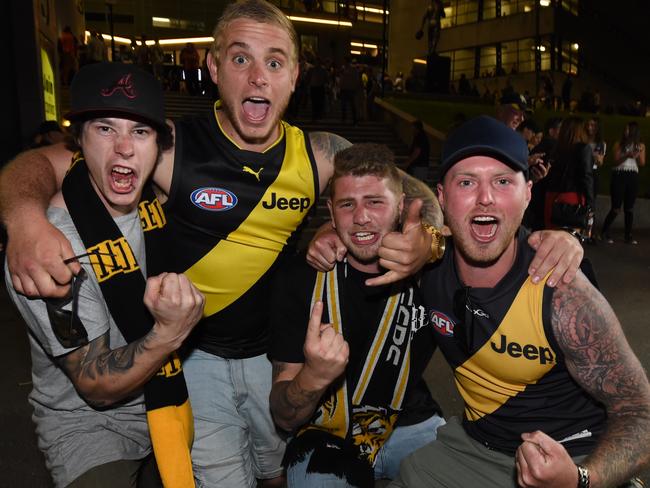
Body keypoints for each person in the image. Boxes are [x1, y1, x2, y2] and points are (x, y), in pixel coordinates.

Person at [0, 2, 441, 486]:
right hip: (194, 357)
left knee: (277, 475)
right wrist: (23, 220)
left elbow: (405, 190)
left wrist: (429, 239)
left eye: (274, 62)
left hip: (271, 356)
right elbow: (45, 161)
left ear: (294, 76)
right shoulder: (167, 146)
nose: (258, 78)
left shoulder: (318, 157)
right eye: (240, 59)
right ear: (213, 67)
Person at [390, 115, 650, 488]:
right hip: (475, 448)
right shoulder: (424, 260)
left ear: (528, 193)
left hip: (573, 455)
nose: (485, 197)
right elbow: (356, 171)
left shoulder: (562, 292)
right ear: (442, 196)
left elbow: (640, 411)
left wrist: (582, 478)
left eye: (502, 181)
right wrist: (333, 234)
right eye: (466, 182)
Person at [5, 62, 205, 488]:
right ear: (78, 141)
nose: (124, 149)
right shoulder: (50, 246)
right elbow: (95, 384)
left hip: (166, 402)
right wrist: (170, 333)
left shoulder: (159, 197)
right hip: (88, 429)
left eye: (139, 132)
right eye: (105, 129)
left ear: (158, 145)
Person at [269, 144, 446, 487]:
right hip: (324, 433)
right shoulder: (297, 278)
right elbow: (283, 415)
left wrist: (432, 241)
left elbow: (487, 246)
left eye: (375, 202)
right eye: (348, 205)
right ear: (331, 216)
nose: (362, 217)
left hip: (411, 425)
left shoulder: (434, 271)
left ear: (400, 209)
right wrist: (313, 378)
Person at [544, 116, 594, 235]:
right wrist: (591, 205)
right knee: (569, 243)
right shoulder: (583, 148)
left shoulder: (556, 148)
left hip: (551, 197)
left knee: (551, 240)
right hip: (572, 198)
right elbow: (586, 176)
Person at [600, 121, 646, 244]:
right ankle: (604, 232)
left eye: (628, 129)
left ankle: (628, 235)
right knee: (616, 207)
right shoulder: (619, 144)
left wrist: (637, 154)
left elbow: (642, 163)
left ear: (633, 131)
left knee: (629, 208)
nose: (625, 132)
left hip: (632, 175)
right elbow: (615, 161)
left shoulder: (640, 145)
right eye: (625, 129)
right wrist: (627, 155)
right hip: (619, 175)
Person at [584, 117, 606, 241]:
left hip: (593, 173)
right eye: (589, 124)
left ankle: (589, 231)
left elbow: (600, 161)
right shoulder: (583, 140)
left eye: (593, 125)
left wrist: (592, 155)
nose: (590, 127)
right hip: (582, 172)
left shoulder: (600, 143)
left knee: (592, 203)